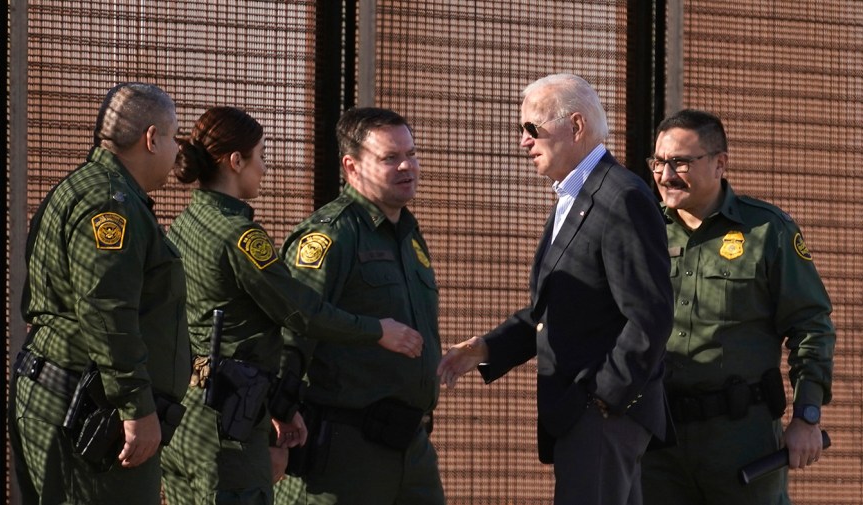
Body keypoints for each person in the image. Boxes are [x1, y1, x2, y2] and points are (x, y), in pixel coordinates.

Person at [159, 106, 424, 504]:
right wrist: (377, 330)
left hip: (187, 414)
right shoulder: (240, 235)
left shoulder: (185, 224)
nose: (265, 168)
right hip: (229, 421)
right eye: (261, 156)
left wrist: (279, 410)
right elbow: (301, 311)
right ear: (236, 162)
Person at [436, 73, 673, 505]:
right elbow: (557, 309)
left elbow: (649, 315)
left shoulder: (620, 197)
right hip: (586, 415)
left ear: (576, 126)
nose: (523, 142)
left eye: (532, 128)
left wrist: (603, 398)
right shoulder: (576, 195)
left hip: (602, 415)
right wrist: (486, 348)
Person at [640, 109, 836, 504]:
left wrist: (807, 415)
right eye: (658, 162)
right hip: (658, 440)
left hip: (741, 439)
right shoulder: (642, 230)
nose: (665, 175)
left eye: (680, 161)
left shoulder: (766, 231)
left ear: (719, 164)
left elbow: (810, 325)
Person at [10, 82, 191, 504]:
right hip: (91, 411)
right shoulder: (112, 204)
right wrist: (137, 407)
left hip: (73, 398)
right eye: (173, 138)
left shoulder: (85, 189)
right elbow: (107, 310)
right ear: (151, 138)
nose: (177, 153)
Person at [273, 107, 445, 504]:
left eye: (412, 153)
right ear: (351, 167)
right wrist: (278, 418)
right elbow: (292, 328)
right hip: (346, 452)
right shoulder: (331, 236)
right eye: (390, 158)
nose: (408, 166)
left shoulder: (408, 234)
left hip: (412, 448)